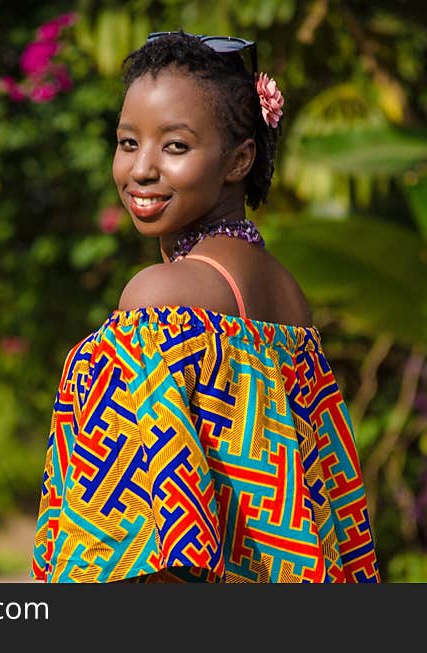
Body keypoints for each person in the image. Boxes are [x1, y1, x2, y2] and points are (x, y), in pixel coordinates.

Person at [31, 31, 380, 583]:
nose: (141, 169)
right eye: (127, 143)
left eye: (175, 146)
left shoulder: (159, 299)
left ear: (239, 159)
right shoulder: (287, 297)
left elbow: (150, 550)